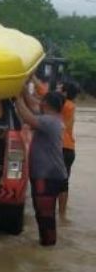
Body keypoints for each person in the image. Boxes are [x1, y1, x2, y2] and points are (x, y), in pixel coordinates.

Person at [15, 88, 69, 246]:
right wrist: (23, 91)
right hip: (55, 174)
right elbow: (32, 109)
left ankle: (47, 252)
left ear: (45, 103)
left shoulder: (48, 121)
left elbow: (27, 116)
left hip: (47, 176)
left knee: (45, 217)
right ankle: (47, 246)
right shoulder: (54, 119)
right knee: (46, 216)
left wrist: (16, 97)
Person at [58, 81, 79, 218]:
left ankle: (59, 214)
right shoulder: (71, 106)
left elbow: (43, 95)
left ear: (65, 92)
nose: (57, 89)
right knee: (63, 182)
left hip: (61, 148)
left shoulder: (62, 105)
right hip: (69, 149)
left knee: (54, 182)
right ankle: (62, 215)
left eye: (60, 88)